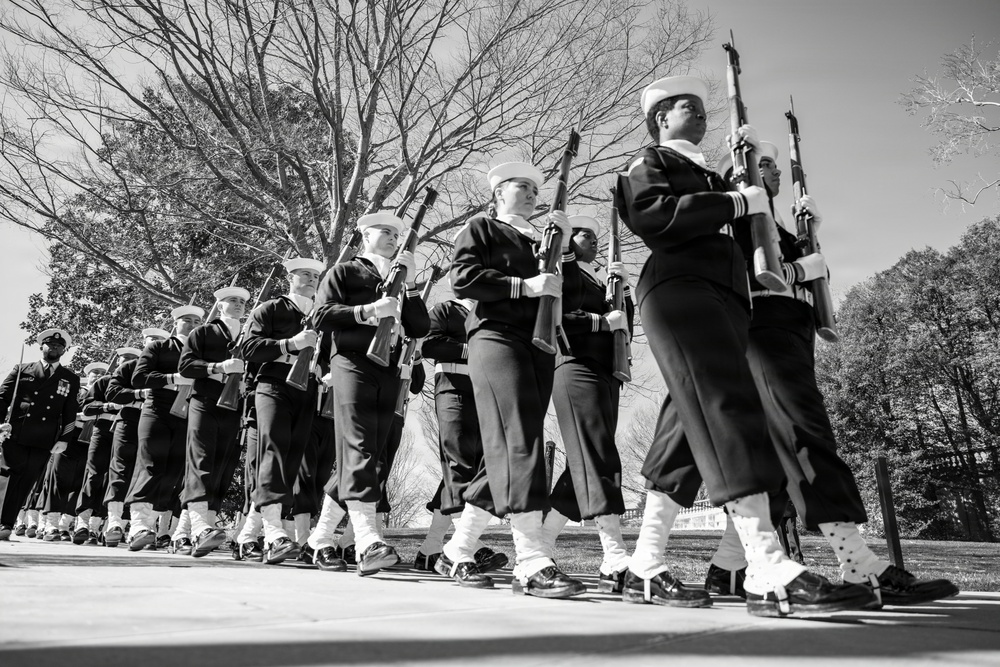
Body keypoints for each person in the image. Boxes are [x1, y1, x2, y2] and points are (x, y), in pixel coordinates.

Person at [614, 74, 876, 616]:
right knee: (727, 412)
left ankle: (651, 561)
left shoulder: (709, 175)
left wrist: (792, 247)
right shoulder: (651, 162)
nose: (700, 112)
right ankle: (764, 564)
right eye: (686, 106)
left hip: (729, 299)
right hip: (680, 289)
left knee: (701, 422)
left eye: (703, 106)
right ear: (660, 117)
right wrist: (736, 201)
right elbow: (650, 215)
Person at [704, 141, 959, 607]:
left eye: (776, 167)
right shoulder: (737, 220)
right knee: (807, 438)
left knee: (778, 461)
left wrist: (808, 238)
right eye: (763, 165)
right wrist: (799, 268)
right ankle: (857, 563)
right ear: (738, 173)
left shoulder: (773, 226)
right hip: (762, 332)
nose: (774, 173)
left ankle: (726, 570)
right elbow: (740, 276)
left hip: (790, 334)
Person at [438, 162, 584, 597]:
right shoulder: (482, 227)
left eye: (534, 189)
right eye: (520, 186)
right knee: (521, 439)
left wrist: (567, 251)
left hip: (537, 344)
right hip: (496, 336)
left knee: (509, 449)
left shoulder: (542, 242)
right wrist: (525, 286)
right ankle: (531, 559)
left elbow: (568, 296)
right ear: (498, 193)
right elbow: (461, 278)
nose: (530, 193)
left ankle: (457, 549)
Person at [307, 213, 429, 575]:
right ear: (365, 234)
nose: (393, 238)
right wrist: (367, 311)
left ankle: (320, 538)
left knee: (369, 454)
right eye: (386, 232)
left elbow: (420, 326)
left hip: (388, 368)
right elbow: (321, 316)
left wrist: (409, 287)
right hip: (352, 362)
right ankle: (366, 540)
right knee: (360, 444)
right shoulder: (344, 272)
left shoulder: (400, 280)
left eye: (397, 234)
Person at [542, 214, 633, 592]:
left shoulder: (600, 281)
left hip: (606, 372)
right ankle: (614, 555)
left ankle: (541, 546)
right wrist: (601, 321)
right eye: (586, 235)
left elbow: (625, 327)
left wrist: (624, 292)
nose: (593, 242)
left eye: (597, 237)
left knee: (584, 461)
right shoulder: (564, 270)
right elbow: (557, 315)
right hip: (574, 366)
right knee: (597, 454)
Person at [241, 257, 326, 564]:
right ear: (290, 278)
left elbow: (326, 354)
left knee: (290, 460)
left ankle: (247, 535)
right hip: (274, 383)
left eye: (315, 275)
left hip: (307, 388)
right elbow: (249, 349)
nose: (311, 279)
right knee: (274, 452)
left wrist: (326, 371)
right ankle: (276, 532)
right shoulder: (271, 309)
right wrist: (290, 344)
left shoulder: (320, 313)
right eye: (304, 274)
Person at [414, 292, 506, 574]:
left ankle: (430, 550)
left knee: (470, 468)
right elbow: (428, 343)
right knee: (459, 461)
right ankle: (470, 547)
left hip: (485, 392)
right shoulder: (446, 310)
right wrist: (472, 349)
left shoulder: (493, 314)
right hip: (454, 387)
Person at [178, 285, 252, 558]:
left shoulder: (247, 335)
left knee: (221, 464)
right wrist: (217, 367)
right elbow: (186, 366)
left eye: (242, 302)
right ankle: (200, 526)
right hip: (206, 401)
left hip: (234, 405)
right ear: (219, 305)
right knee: (201, 460)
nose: (238, 305)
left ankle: (184, 531)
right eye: (231, 301)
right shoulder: (203, 332)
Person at [126, 306, 205, 551]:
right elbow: (139, 378)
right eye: (186, 320)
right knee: (151, 465)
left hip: (186, 414)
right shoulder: (158, 348)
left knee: (173, 472)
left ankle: (155, 527)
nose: (192, 324)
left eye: (196, 321)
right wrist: (172, 378)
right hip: (158, 410)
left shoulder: (202, 352)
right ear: (175, 323)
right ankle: (139, 525)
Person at [0, 329, 80, 539]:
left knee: (26, 481)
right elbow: (2, 398)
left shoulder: (70, 378)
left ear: (64, 350)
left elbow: (70, 411)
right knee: (8, 477)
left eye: (59, 346)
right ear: (41, 347)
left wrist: (65, 438)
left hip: (44, 439)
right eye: (50, 344)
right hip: (16, 433)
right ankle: (2, 522)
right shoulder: (22, 369)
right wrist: (0, 423)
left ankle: (6, 524)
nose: (54, 348)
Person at [103, 332, 167, 547]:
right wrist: (140, 393)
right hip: (130, 420)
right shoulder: (129, 367)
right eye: (152, 340)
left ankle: (143, 525)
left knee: (151, 469)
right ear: (144, 343)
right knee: (121, 468)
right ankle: (115, 523)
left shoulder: (166, 365)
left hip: (157, 420)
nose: (155, 344)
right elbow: (113, 392)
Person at [72, 361, 116, 545]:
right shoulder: (105, 382)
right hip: (103, 428)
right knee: (94, 474)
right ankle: (82, 522)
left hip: (124, 430)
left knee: (112, 479)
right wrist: (110, 406)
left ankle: (96, 527)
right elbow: (88, 408)